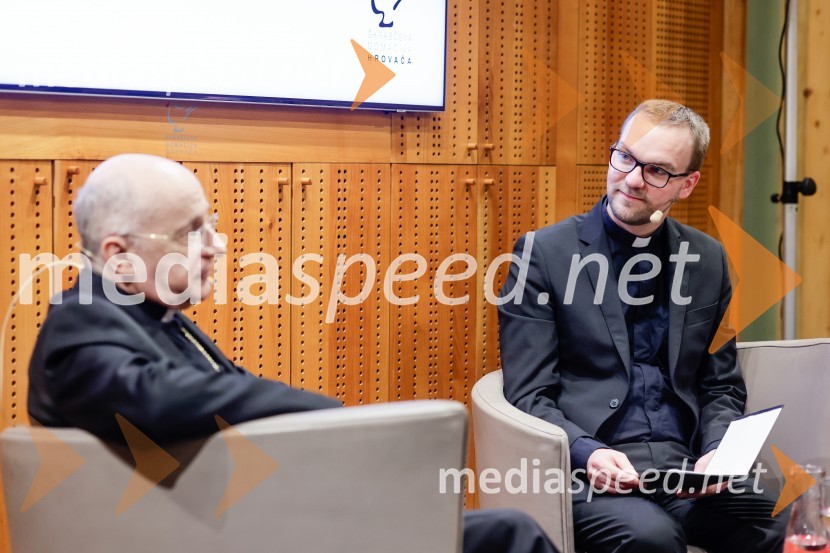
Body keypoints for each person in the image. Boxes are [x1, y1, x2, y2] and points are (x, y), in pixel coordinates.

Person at [27, 153, 558, 553]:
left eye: (210, 224)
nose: (216, 245)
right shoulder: (80, 328)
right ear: (119, 257)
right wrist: (338, 421)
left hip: (260, 519)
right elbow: (156, 399)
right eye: (192, 231)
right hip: (226, 533)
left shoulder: (142, 317)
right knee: (510, 535)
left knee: (506, 531)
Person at [498, 100, 787, 553]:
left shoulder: (708, 259)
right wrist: (586, 450)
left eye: (657, 171)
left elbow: (721, 386)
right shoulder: (545, 254)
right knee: (652, 538)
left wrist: (716, 450)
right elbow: (528, 394)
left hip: (684, 469)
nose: (632, 178)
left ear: (687, 184)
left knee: (788, 522)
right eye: (626, 157)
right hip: (590, 471)